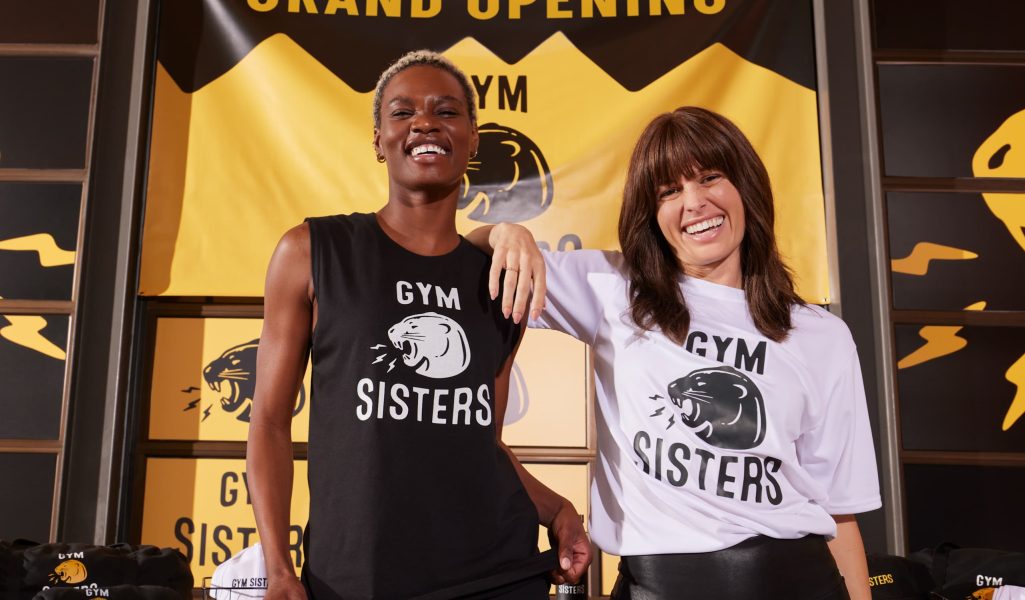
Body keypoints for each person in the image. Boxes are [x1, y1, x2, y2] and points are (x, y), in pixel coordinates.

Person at [469, 107, 881, 599]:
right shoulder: (613, 288)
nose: (695, 202)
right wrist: (504, 232)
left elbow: (838, 511)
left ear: (745, 187)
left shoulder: (821, 335)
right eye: (670, 191)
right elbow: (467, 260)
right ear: (652, 213)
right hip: (660, 582)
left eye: (711, 178)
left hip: (800, 578)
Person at [246, 50, 590, 600]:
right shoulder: (312, 251)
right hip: (355, 577)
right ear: (379, 140)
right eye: (402, 113)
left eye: (446, 112)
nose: (425, 123)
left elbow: (485, 443)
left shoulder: (499, 279)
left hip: (495, 572)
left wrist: (558, 510)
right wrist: (279, 569)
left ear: (474, 140)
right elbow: (268, 425)